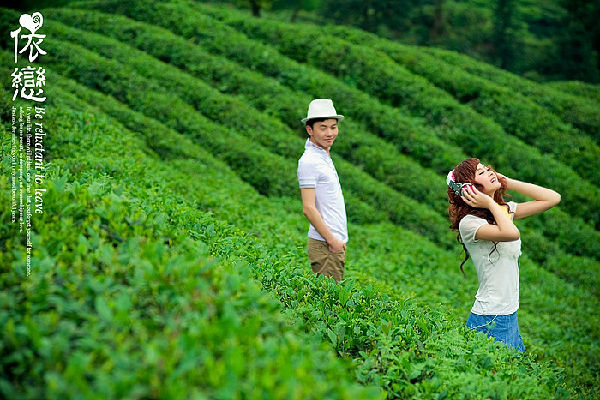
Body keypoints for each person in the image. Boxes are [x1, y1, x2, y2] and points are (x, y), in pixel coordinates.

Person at [447, 158, 561, 351]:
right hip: (492, 318)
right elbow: (511, 233)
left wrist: (507, 182)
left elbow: (552, 198)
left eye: (487, 169)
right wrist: (490, 204)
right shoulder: (470, 223)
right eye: (481, 173)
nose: (490, 172)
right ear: (470, 189)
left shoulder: (502, 212)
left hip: (507, 314)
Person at [297, 99, 347, 283]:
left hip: (333, 242)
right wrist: (332, 241)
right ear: (310, 130)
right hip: (326, 244)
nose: (330, 133)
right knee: (329, 303)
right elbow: (308, 208)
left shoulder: (323, 154)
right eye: (323, 127)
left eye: (333, 127)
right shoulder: (309, 161)